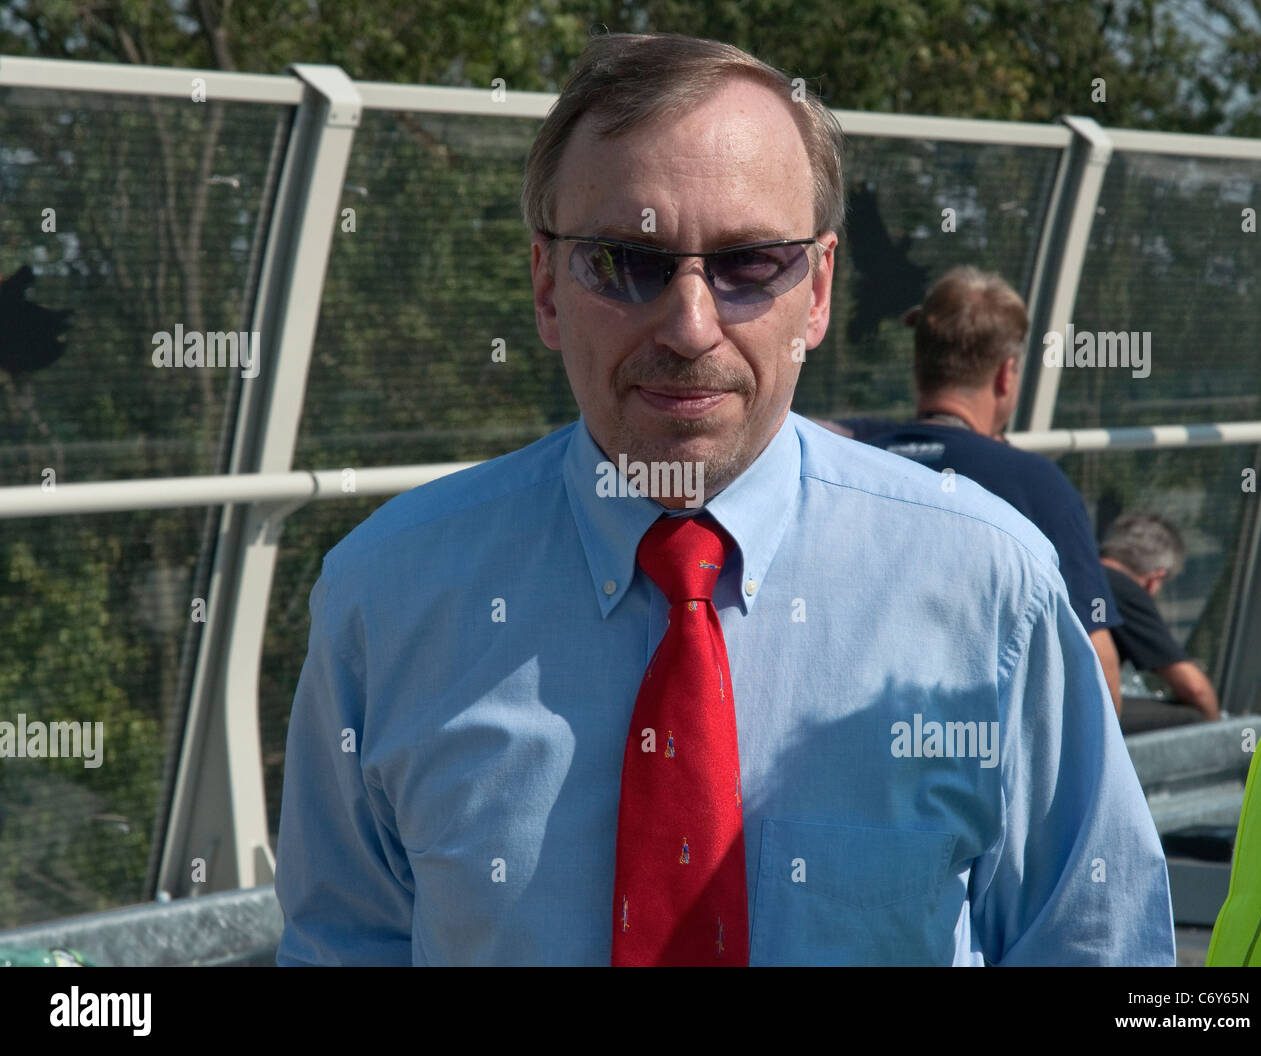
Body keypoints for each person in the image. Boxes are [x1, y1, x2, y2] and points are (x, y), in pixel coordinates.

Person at [274, 32, 1174, 966]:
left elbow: (1096, 946)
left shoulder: (988, 589)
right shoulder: (386, 600)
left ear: (818, 291)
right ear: (546, 286)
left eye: (750, 264)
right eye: (627, 261)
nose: (692, 325)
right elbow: (344, 943)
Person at [829, 268, 1125, 716]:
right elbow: (1097, 669)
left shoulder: (848, 467)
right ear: (1006, 375)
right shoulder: (1036, 486)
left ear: (917, 367)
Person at [1100, 513, 1220, 721]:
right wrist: (1221, 735)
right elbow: (1195, 689)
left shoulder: (1081, 574)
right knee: (1194, 715)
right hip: (1081, 718)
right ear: (1155, 579)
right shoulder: (1124, 588)